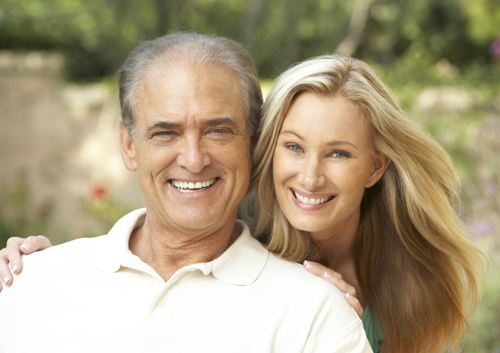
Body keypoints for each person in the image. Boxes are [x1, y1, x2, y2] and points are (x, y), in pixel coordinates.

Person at [0, 54, 485, 352]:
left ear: (375, 168)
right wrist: (47, 269)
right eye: (293, 146)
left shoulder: (410, 281)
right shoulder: (238, 234)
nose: (310, 175)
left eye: (338, 153)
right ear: (266, 149)